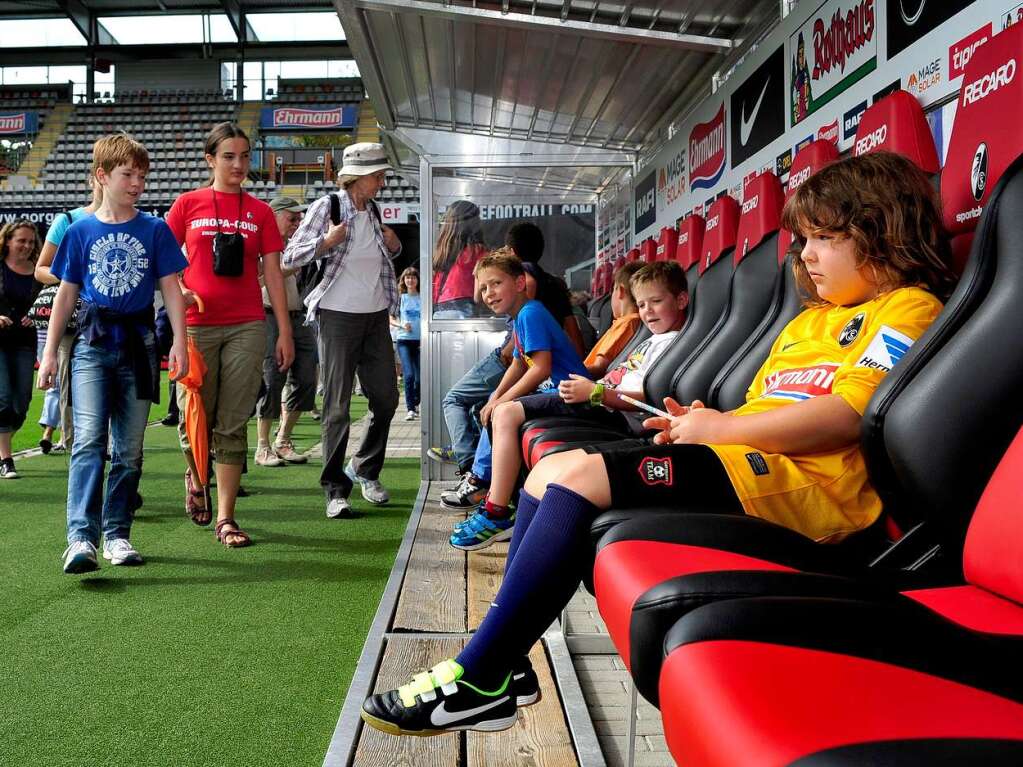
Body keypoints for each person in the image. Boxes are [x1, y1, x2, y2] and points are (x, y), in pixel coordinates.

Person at [360, 151, 959, 736]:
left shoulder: (906, 308)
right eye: (802, 241)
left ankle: (481, 673)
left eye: (821, 239)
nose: (804, 256)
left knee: (572, 477)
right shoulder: (808, 320)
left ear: (880, 235)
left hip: (810, 491)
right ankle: (502, 666)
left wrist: (719, 429)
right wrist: (700, 422)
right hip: (744, 465)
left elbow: (846, 417)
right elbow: (769, 408)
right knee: (548, 474)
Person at [450, 261, 687, 550]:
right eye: (642, 304)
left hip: (603, 407)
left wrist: (595, 393)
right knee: (500, 408)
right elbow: (518, 363)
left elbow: (645, 397)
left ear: (681, 300)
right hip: (591, 396)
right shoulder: (651, 340)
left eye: (656, 302)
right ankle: (495, 496)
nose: (647, 311)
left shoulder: (671, 343)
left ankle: (497, 510)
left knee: (506, 412)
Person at [38, 133, 189, 573]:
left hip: (140, 345)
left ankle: (117, 533)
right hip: (90, 345)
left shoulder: (155, 229)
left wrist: (178, 341)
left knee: (130, 449)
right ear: (103, 176)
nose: (137, 183)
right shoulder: (80, 230)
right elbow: (65, 295)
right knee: (88, 441)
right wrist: (49, 354)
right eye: (128, 174)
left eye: (142, 175)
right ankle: (80, 537)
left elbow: (171, 290)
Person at [166, 122, 294, 546]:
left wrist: (284, 331)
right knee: (193, 418)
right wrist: (182, 289)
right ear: (210, 160)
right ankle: (196, 472)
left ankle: (226, 517)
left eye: (244, 156)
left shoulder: (260, 212)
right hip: (196, 327)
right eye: (228, 156)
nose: (238, 164)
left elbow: (273, 273)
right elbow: (163, 262)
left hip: (246, 324)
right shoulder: (187, 204)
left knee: (232, 421)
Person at [282, 142, 403, 520]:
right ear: (357, 176)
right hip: (337, 316)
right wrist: (325, 242)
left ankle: (364, 468)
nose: (382, 181)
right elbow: (290, 257)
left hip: (376, 316)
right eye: (377, 175)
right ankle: (335, 488)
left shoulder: (374, 210)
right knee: (336, 406)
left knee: (386, 399)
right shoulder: (328, 206)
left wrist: (394, 246)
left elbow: (378, 259)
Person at [439, 248, 587, 512]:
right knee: (494, 404)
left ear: (520, 283)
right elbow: (518, 363)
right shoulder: (521, 316)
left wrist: (500, 401)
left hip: (570, 395)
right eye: (484, 288)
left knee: (501, 411)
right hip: (553, 391)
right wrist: (495, 396)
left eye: (496, 283)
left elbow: (540, 368)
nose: (489, 293)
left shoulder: (531, 313)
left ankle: (480, 482)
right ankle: (485, 482)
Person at [34, 176, 103, 449]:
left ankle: (103, 445)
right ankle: (74, 443)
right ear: (95, 179)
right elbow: (41, 269)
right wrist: (74, 278)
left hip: (114, 321)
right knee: (69, 390)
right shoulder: (68, 221)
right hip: (74, 322)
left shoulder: (130, 220)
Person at [254, 196, 318, 467]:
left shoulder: (293, 245)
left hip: (297, 315)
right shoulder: (257, 244)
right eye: (292, 218)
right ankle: (262, 445)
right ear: (275, 215)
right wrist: (291, 265)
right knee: (273, 377)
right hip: (268, 315)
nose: (297, 223)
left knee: (306, 378)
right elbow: (262, 275)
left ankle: (283, 439)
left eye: (299, 218)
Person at [0, 220, 42, 478]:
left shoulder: (38, 272)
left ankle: (2, 443)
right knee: (3, 397)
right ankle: (6, 458)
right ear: (7, 241)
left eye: (30, 241)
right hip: (0, 343)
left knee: (21, 403)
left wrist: (38, 315)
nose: (26, 246)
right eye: (21, 241)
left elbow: (50, 303)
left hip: (25, 342)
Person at [582, 261, 644, 378]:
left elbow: (599, 367)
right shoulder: (636, 321)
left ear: (620, 291)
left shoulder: (626, 324)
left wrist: (568, 370)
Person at [432, 200, 486, 319]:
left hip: (438, 309)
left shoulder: (441, 253)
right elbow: (482, 285)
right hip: (465, 305)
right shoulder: (476, 251)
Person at [390, 266, 421, 421]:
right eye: (407, 277)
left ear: (418, 280)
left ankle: (416, 403)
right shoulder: (400, 298)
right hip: (404, 341)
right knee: (408, 375)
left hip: (421, 342)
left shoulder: (423, 297)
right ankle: (410, 409)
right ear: (403, 280)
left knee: (420, 378)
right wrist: (402, 325)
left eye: (413, 277)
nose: (410, 280)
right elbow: (390, 317)